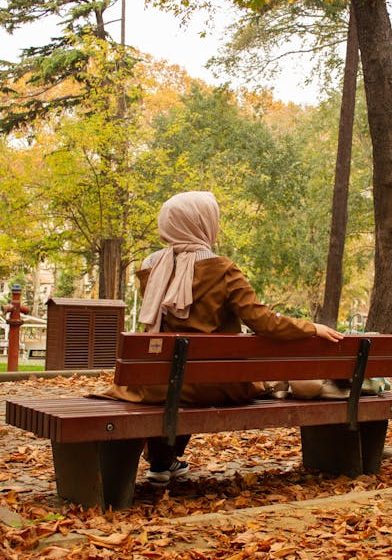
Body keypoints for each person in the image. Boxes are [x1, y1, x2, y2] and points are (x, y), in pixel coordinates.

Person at [107, 191, 343, 485]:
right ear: (203, 222)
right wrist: (311, 328)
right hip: (215, 383)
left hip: (156, 383)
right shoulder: (222, 268)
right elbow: (263, 321)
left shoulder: (152, 264)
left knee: (175, 383)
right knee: (193, 382)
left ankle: (161, 461)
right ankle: (163, 460)